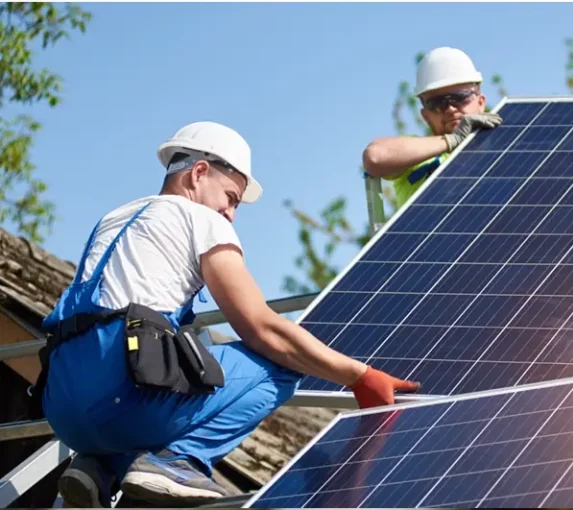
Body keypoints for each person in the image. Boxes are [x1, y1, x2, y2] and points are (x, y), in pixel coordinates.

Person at [36, 121, 420, 507]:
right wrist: (359, 375)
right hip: (121, 397)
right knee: (280, 363)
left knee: (184, 346)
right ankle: (178, 462)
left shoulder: (117, 218)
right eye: (231, 197)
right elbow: (262, 328)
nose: (231, 214)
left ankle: (101, 466)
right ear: (200, 172)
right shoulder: (201, 221)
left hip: (63, 409)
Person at [362, 46, 503, 209]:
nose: (450, 108)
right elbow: (375, 156)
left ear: (480, 103)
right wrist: (453, 140)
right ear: (426, 115)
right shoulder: (416, 154)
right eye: (437, 103)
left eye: (460, 97)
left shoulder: (508, 148)